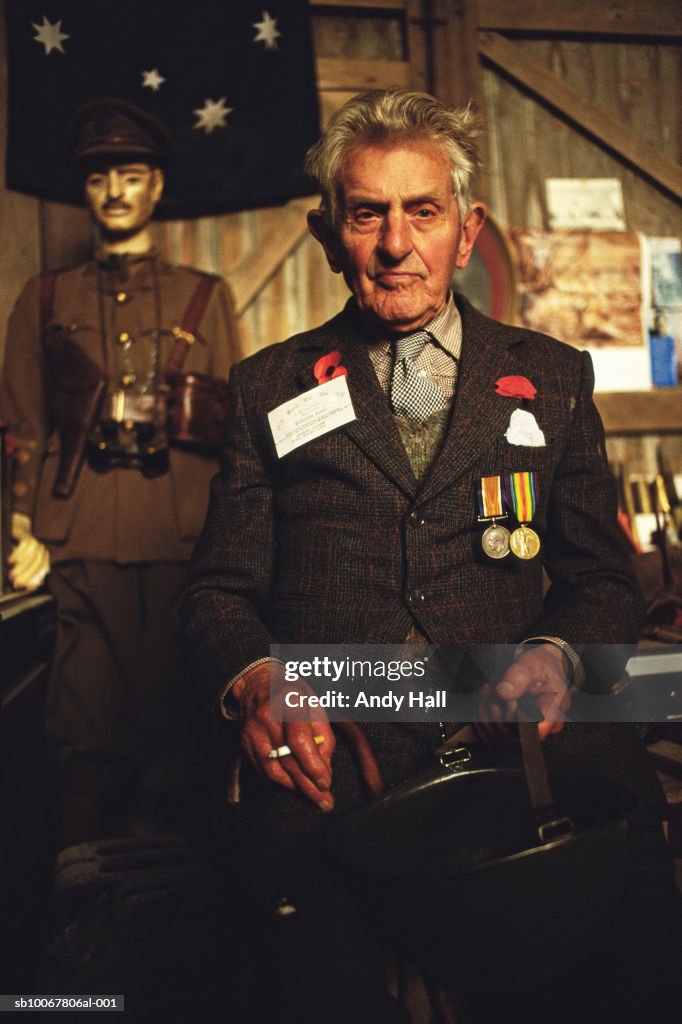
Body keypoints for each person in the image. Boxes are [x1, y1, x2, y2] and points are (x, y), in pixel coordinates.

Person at [178, 90, 674, 1021]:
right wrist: (255, 676)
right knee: (297, 934)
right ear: (331, 233)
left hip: (521, 731)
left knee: (629, 904)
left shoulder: (554, 376)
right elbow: (216, 591)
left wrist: (560, 657)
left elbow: (603, 581)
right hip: (339, 741)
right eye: (368, 213)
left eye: (424, 211)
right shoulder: (266, 388)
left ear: (465, 227)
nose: (396, 243)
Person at [0, 98, 243, 849]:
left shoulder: (207, 296)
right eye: (101, 176)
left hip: (182, 534)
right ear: (86, 190)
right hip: (80, 535)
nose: (114, 190)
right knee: (81, 723)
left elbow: (239, 431)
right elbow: (21, 424)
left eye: (130, 175)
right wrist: (17, 521)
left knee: (181, 722)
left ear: (156, 188)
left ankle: (178, 915)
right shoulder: (44, 298)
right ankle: (83, 901)